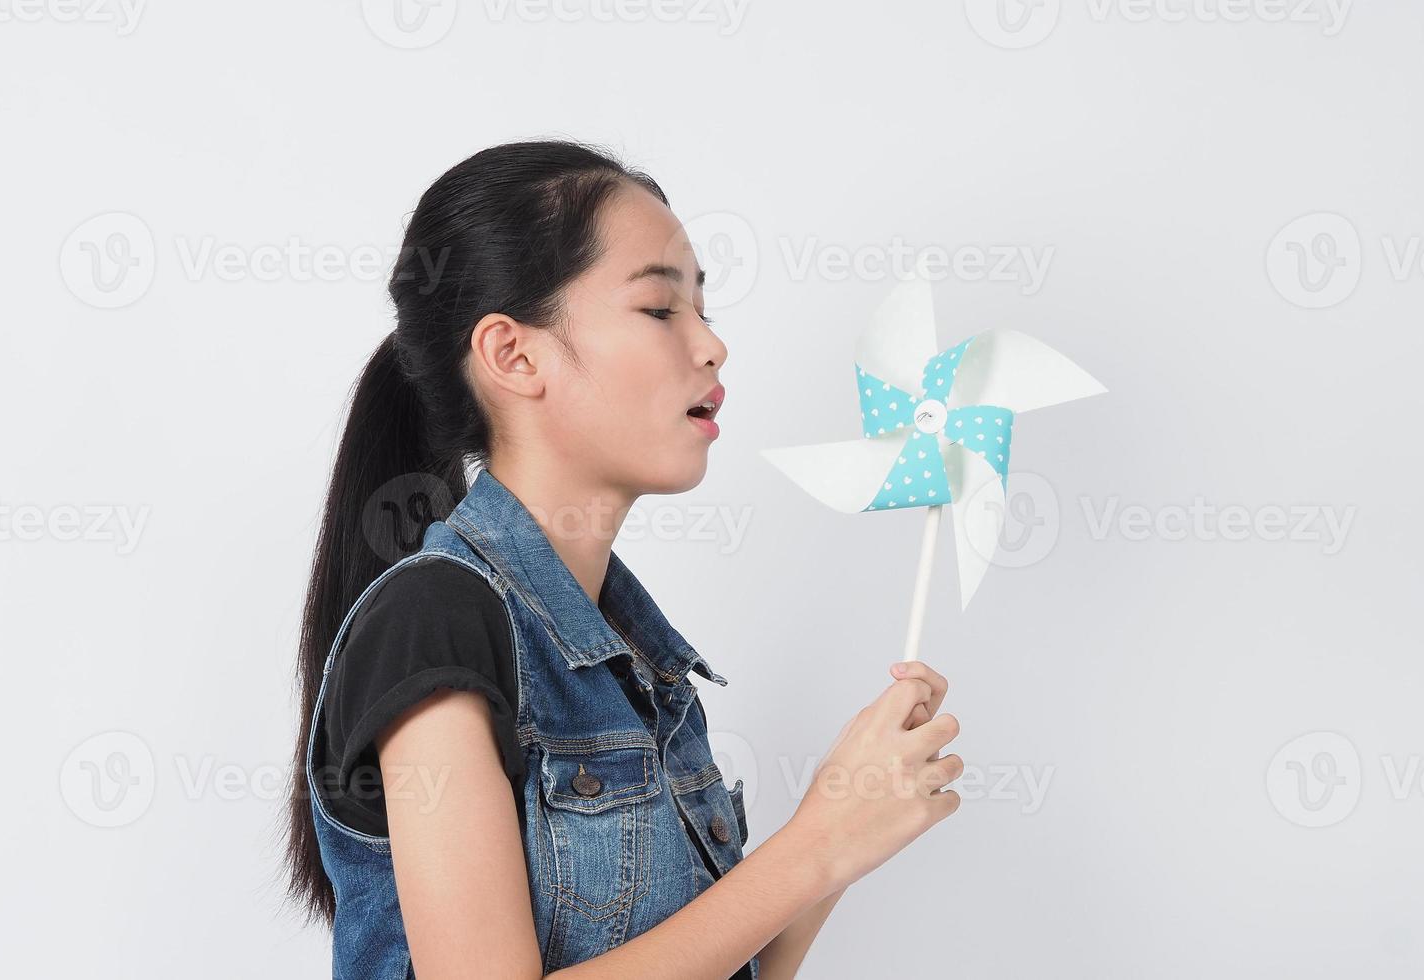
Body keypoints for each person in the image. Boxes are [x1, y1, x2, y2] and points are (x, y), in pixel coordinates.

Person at [284, 140, 962, 978]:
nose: (713, 346)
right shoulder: (437, 621)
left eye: (705, 310)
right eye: (659, 309)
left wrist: (845, 833)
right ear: (513, 355)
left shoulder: (641, 662)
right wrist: (815, 847)